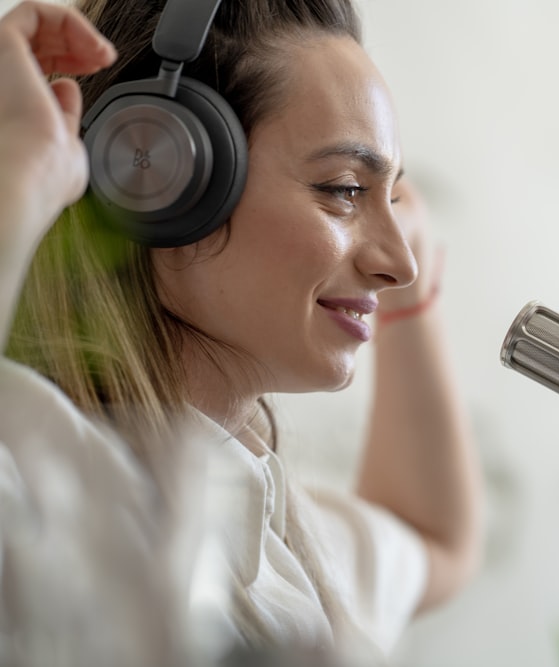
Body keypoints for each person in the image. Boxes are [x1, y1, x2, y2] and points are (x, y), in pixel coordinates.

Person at [0, 1, 482, 665]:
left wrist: (412, 301)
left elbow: (435, 540)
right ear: (158, 177)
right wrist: (13, 188)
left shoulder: (277, 539)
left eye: (391, 196)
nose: (400, 264)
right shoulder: (37, 484)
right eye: (344, 188)